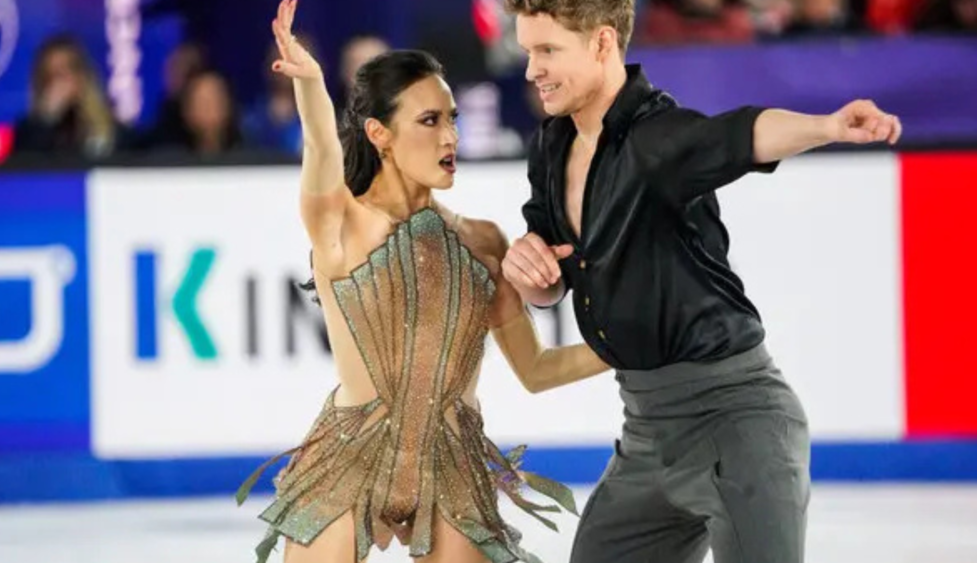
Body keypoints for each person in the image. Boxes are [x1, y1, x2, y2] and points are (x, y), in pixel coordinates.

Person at [498, 2, 903, 563]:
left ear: (601, 44)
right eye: (527, 51)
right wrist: (532, 274)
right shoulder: (551, 146)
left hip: (735, 426)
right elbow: (555, 278)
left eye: (547, 51)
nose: (530, 70)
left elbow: (738, 136)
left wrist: (827, 126)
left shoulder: (656, 137)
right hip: (645, 436)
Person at [236, 2, 611, 562]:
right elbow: (320, 147)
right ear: (379, 135)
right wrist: (312, 83)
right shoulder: (343, 226)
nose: (449, 137)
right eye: (430, 121)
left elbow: (536, 370)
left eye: (452, 117)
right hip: (348, 454)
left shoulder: (483, 242)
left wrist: (632, 345)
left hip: (452, 464)